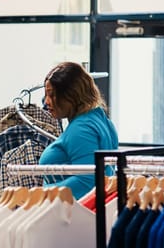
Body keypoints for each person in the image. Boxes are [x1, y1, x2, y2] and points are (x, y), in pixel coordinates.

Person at [38, 61, 119, 199]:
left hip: (73, 214)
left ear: (71, 94)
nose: (46, 102)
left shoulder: (82, 129)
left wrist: (40, 195)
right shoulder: (99, 119)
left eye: (52, 95)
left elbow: (87, 182)